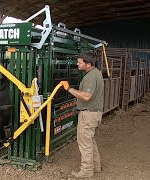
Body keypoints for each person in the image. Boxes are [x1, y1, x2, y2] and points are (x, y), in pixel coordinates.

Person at [62, 51, 104, 179]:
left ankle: (86, 171)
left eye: (80, 63)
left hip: (88, 115)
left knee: (85, 144)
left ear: (88, 64)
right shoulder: (95, 73)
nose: (77, 64)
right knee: (90, 141)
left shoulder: (91, 77)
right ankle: (96, 166)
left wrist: (69, 89)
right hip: (94, 113)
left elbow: (86, 96)